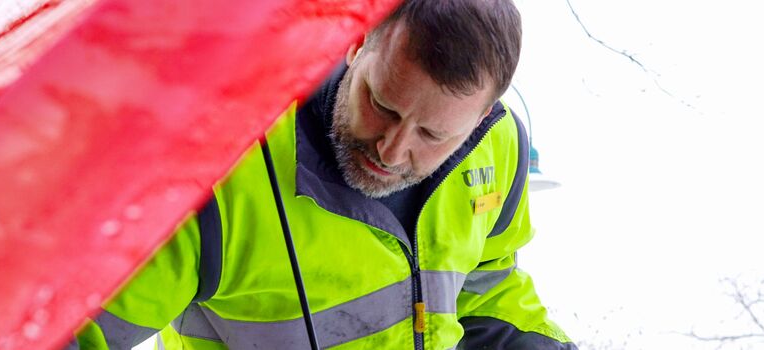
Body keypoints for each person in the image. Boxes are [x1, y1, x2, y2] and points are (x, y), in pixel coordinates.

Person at [70, 0, 574, 348]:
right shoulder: (215, 177)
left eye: (433, 135)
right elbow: (69, 332)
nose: (392, 151)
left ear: (481, 118)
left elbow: (487, 285)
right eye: (382, 105)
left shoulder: (496, 148)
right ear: (357, 44)